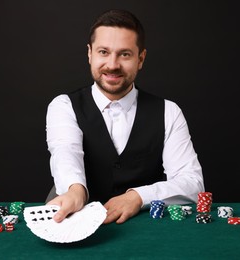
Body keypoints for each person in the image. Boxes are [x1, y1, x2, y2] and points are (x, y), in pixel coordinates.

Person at [46, 9, 204, 224]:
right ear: (89, 53)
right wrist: (75, 191)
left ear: (141, 59)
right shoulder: (63, 106)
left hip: (145, 226)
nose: (112, 65)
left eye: (125, 54)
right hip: (75, 222)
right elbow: (66, 152)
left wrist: (138, 197)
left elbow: (193, 183)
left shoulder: (169, 111)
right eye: (103, 52)